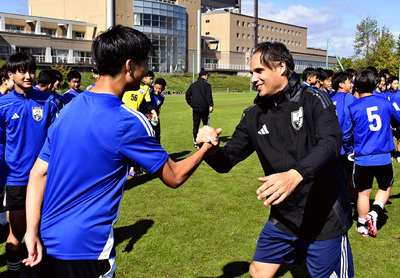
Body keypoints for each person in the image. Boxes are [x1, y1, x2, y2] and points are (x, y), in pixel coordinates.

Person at [22, 25, 216, 278]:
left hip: (45, 242)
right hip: (87, 251)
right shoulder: (128, 121)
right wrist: (205, 148)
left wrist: (31, 231)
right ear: (129, 65)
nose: (146, 70)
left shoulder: (68, 108)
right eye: (145, 62)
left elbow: (38, 174)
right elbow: (174, 176)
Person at [196, 42, 353, 278]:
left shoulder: (313, 99)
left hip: (325, 217)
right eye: (251, 73)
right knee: (258, 271)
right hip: (284, 218)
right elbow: (226, 161)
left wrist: (295, 174)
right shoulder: (253, 115)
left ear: (281, 67)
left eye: (259, 71)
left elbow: (331, 142)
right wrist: (210, 150)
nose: (253, 78)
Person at [0, 53, 59, 278]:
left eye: (31, 70)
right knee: (16, 235)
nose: (28, 75)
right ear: (11, 75)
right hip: (15, 180)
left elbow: (56, 140)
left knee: (43, 232)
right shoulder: (2, 104)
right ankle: (14, 273)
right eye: (22, 71)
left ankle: (39, 270)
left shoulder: (48, 100)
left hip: (45, 178)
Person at [344, 70, 400, 237]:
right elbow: (398, 119)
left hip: (362, 157)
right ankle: (374, 213)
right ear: (375, 84)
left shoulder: (353, 107)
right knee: (385, 186)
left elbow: (346, 134)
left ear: (356, 85)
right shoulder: (385, 102)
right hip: (383, 155)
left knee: (364, 191)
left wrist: (349, 148)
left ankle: (362, 225)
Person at [331, 71, 358, 211]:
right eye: (349, 81)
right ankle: (349, 202)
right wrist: (348, 146)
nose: (351, 84)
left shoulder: (330, 98)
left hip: (330, 145)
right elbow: (348, 123)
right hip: (343, 146)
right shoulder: (348, 97)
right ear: (341, 84)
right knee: (349, 176)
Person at [185, 69, 214, 148]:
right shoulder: (207, 85)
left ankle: (195, 142)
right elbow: (208, 96)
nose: (207, 77)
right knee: (206, 126)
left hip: (196, 108)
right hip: (204, 108)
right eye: (207, 75)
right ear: (204, 75)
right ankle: (205, 141)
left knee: (196, 126)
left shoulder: (193, 85)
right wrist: (211, 105)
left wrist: (190, 103)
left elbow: (187, 95)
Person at [141, 77, 166, 142]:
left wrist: (157, 117)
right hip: (144, 117)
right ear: (153, 85)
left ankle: (157, 151)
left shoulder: (162, 98)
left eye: (160, 89)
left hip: (154, 117)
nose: (157, 90)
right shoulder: (148, 91)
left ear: (163, 89)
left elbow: (158, 108)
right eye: (156, 88)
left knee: (157, 136)